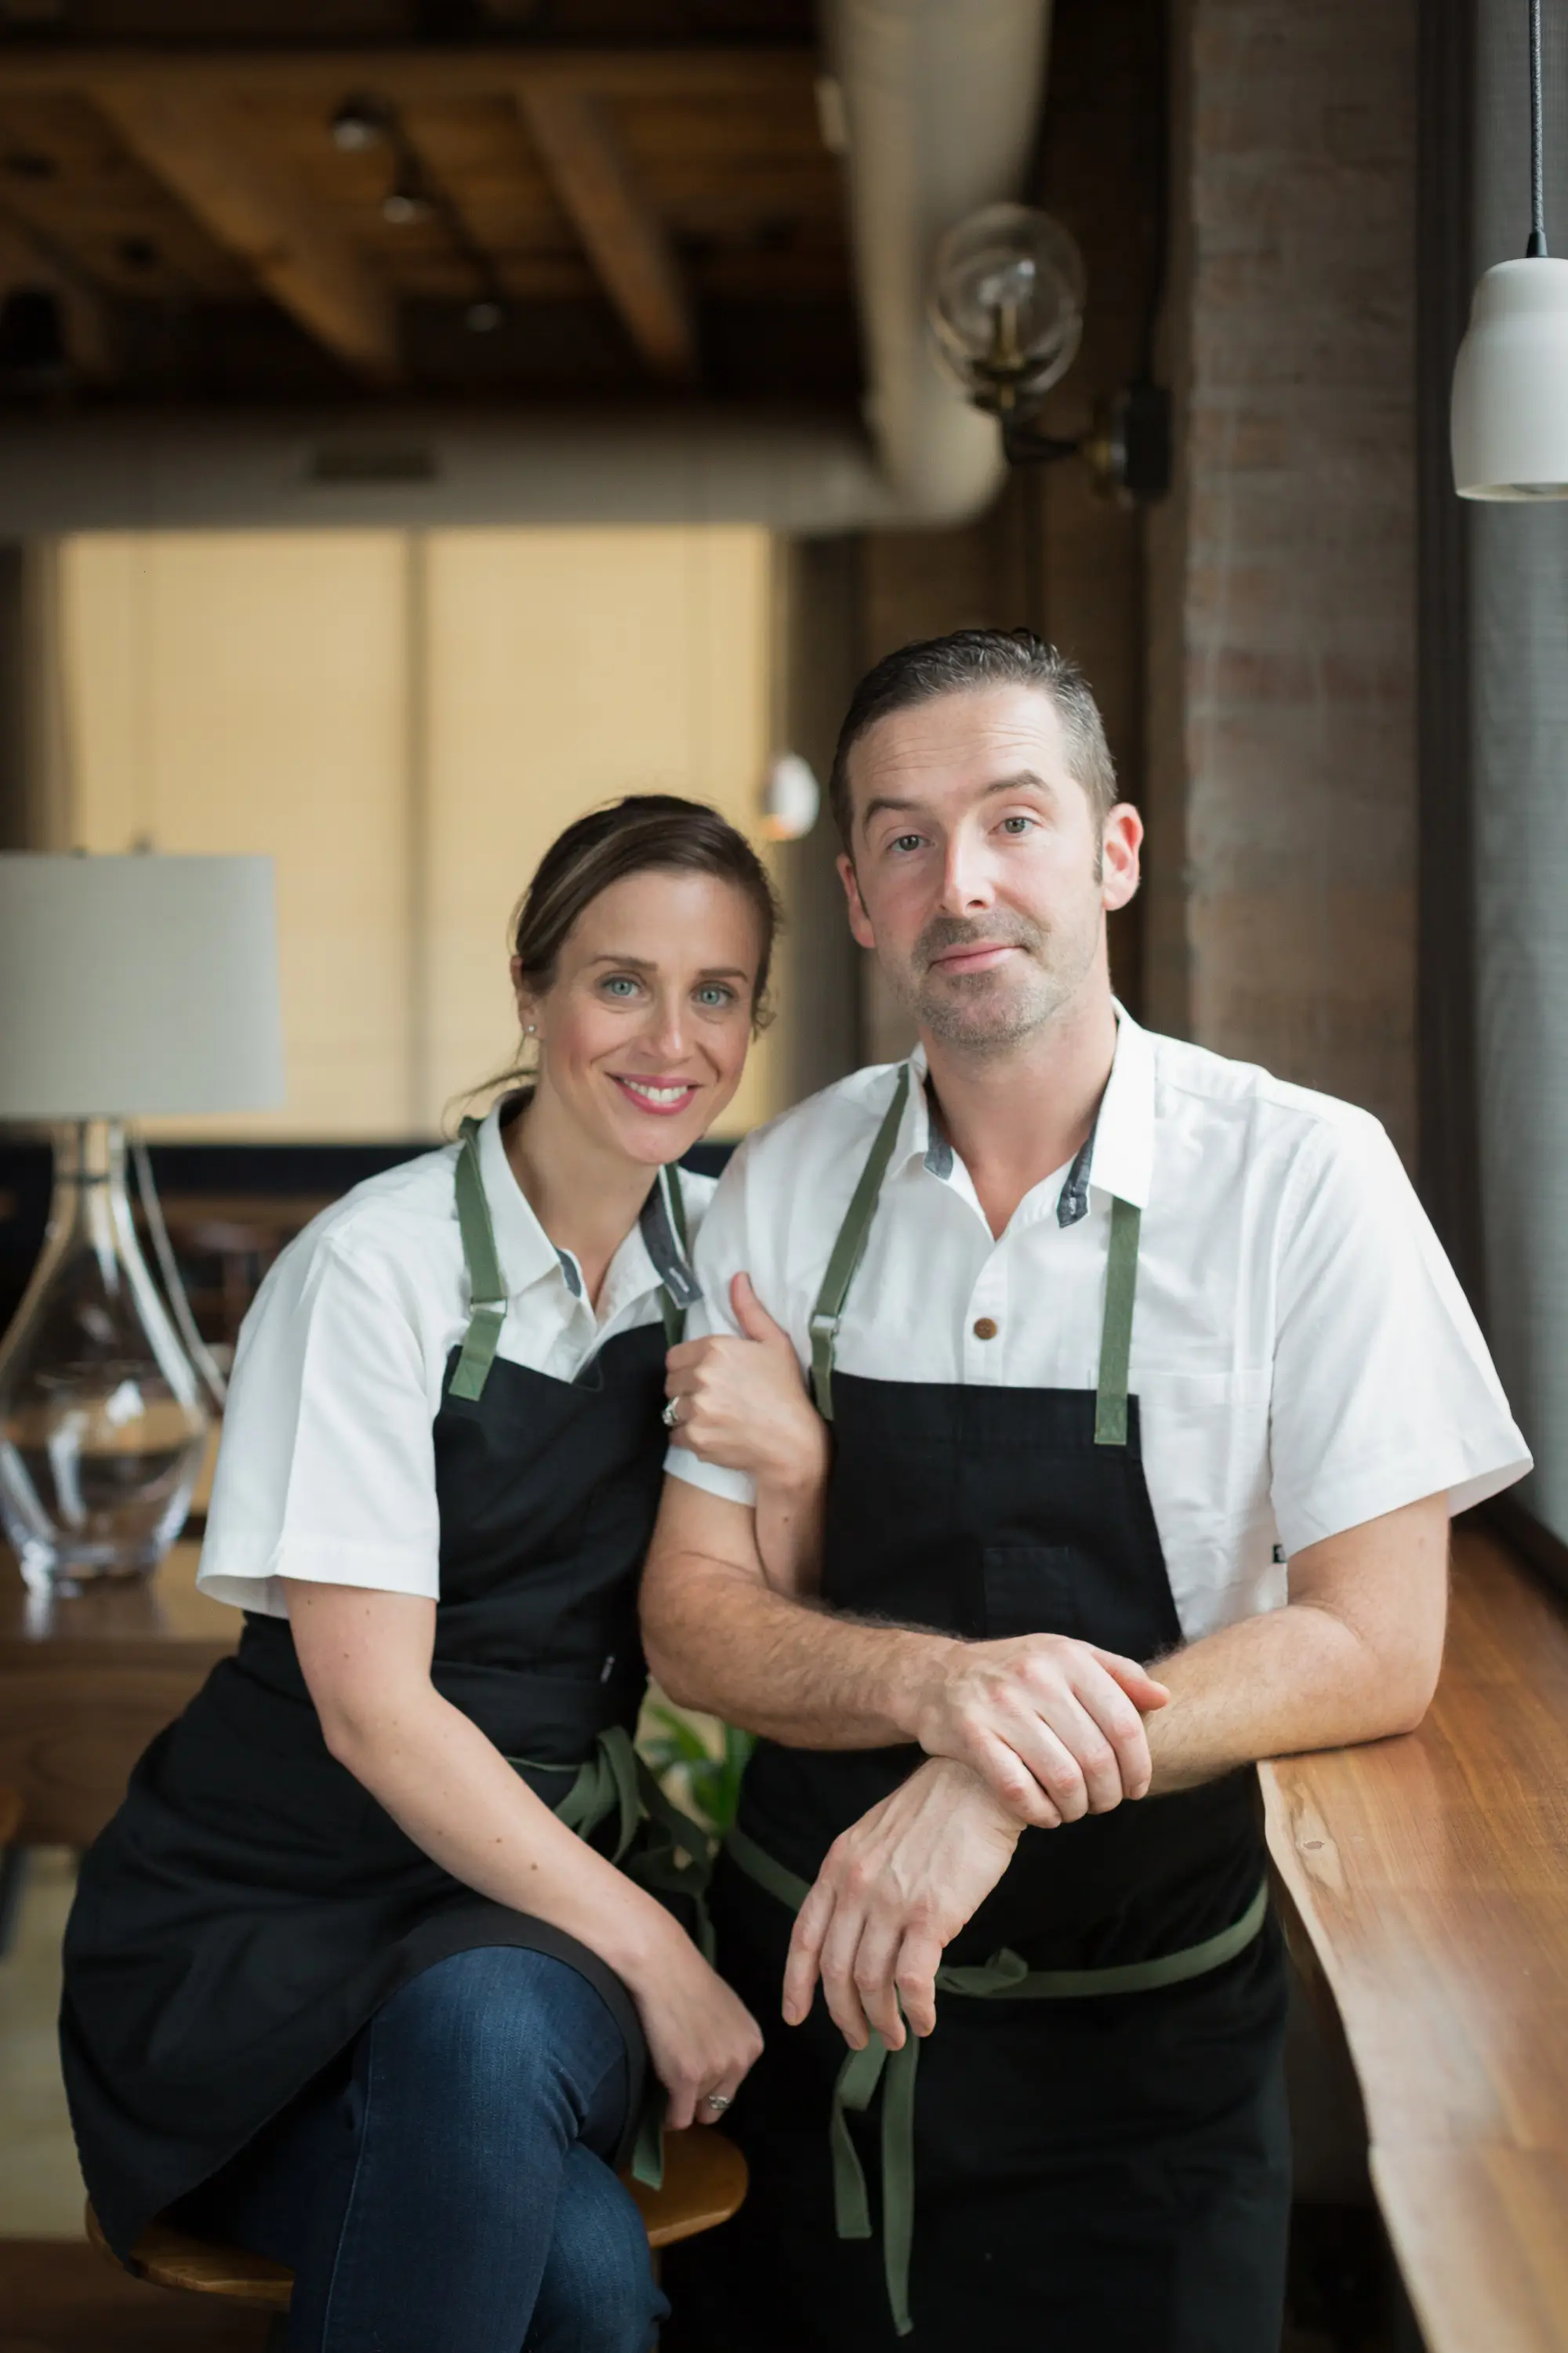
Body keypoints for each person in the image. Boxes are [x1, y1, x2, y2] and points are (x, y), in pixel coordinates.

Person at [642, 632, 1532, 2352]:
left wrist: (987, 1782)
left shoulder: (1300, 1179)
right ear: (855, 897)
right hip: (808, 2024)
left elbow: (1375, 1643)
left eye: (1013, 822)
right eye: (904, 840)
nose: (959, 882)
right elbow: (691, 1616)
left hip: (1149, 2057)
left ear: (1114, 853)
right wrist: (936, 1684)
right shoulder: (785, 1180)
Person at [60, 796, 824, 2353]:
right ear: (532, 991)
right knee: (591, 2285)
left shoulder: (730, 1280)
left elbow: (750, 1631)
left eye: (715, 992)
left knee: (479, 2039)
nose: (667, 1036)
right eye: (619, 982)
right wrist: (659, 1952)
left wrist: (799, 1462)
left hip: (519, 1911)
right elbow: (372, 1714)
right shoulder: (373, 1271)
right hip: (257, 1919)